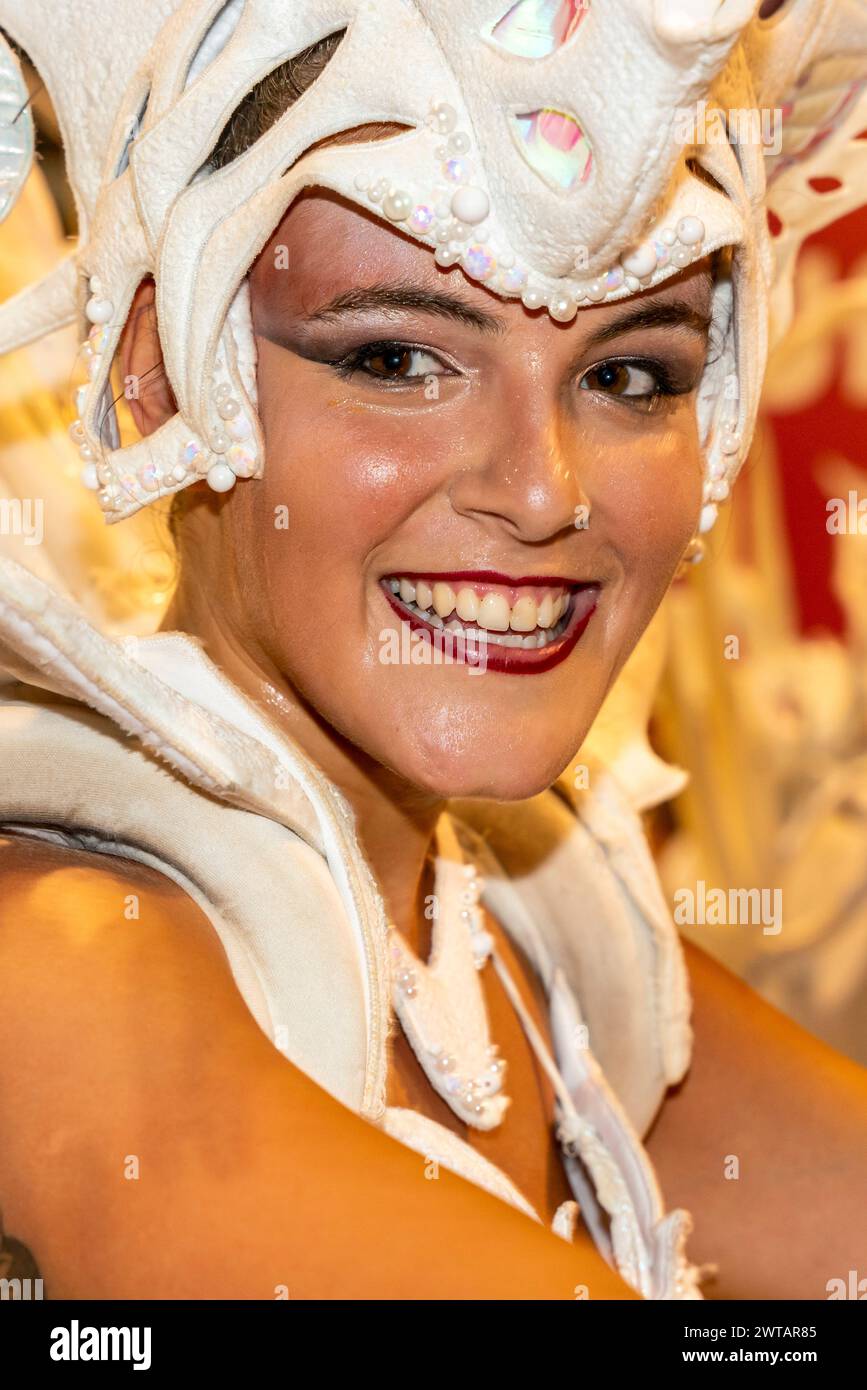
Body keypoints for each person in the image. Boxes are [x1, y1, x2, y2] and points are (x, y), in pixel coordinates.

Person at [0, 0, 865, 1301]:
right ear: (161, 380)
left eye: (630, 376)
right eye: (399, 358)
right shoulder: (68, 964)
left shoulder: (534, 919)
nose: (540, 490)